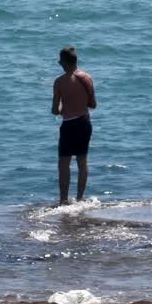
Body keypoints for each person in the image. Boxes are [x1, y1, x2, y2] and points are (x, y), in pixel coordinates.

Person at [51, 45, 97, 204]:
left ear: (64, 62)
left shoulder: (59, 82)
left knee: (64, 162)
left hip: (68, 125)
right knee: (82, 160)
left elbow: (55, 110)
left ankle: (63, 200)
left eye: (60, 62)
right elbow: (93, 104)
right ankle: (79, 199)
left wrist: (64, 108)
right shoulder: (87, 78)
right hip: (84, 122)